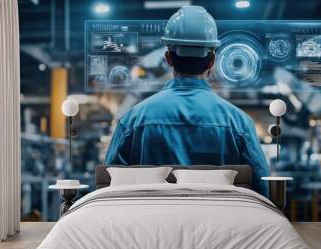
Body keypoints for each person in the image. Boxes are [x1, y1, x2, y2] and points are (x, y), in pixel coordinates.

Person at [105, 6, 269, 196]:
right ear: (211, 61)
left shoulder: (132, 121)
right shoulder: (239, 124)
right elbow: (262, 193)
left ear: (168, 58)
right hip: (219, 224)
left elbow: (109, 189)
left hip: (150, 224)